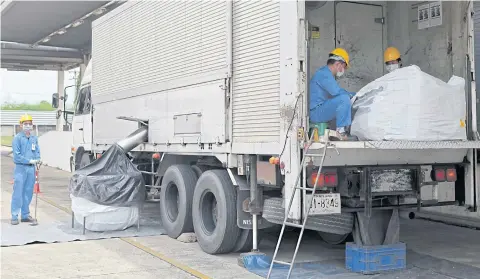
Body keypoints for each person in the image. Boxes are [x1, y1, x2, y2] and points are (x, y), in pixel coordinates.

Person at [309, 48, 357, 141]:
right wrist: (353, 95)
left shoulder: (325, 73)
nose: (344, 70)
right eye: (344, 67)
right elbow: (337, 92)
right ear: (338, 64)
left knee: (342, 101)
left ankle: (339, 132)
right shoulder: (324, 74)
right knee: (343, 99)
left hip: (319, 110)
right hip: (316, 112)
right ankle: (341, 133)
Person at [11, 114, 41, 225]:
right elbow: (16, 156)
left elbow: (37, 151)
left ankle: (25, 215)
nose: (27, 126)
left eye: (29, 124)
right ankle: (14, 215)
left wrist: (38, 159)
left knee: (28, 192)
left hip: (31, 169)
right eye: (25, 124)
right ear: (21, 125)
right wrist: (29, 161)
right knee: (18, 192)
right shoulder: (17, 138)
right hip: (20, 168)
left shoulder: (34, 138)